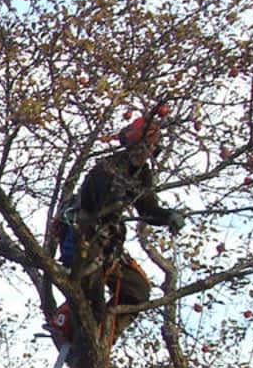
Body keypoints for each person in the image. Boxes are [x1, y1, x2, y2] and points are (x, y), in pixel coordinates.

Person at [50, 106, 186, 354]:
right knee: (92, 299)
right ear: (130, 145)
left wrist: (168, 216)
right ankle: (82, 341)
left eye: (147, 149)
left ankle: (101, 343)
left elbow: (147, 209)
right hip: (83, 241)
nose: (142, 154)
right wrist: (124, 193)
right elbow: (101, 205)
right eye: (139, 147)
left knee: (138, 290)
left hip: (110, 244)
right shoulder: (106, 168)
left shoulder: (142, 174)